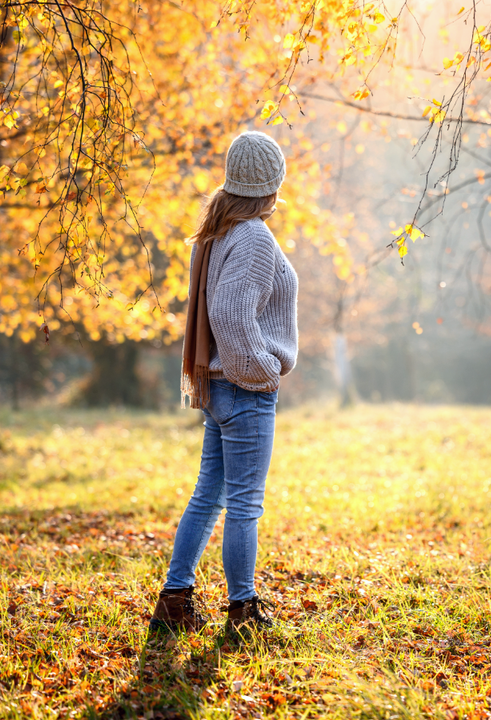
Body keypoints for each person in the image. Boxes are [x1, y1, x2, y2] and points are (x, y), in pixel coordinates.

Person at [149, 131, 298, 636]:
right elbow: (232, 316)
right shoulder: (253, 235)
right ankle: (243, 610)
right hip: (242, 389)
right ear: (270, 185)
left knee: (209, 495)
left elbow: (224, 314)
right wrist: (263, 372)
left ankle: (174, 599)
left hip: (218, 386)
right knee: (244, 504)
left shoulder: (220, 230)